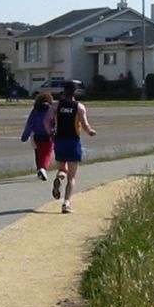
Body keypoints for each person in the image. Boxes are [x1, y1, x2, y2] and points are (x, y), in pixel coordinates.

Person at [44, 81, 96, 214]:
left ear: (64, 91)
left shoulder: (56, 105)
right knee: (72, 177)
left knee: (62, 169)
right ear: (75, 92)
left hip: (60, 141)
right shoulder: (79, 107)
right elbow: (84, 124)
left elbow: (46, 119)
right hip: (73, 141)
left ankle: (58, 179)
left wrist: (50, 132)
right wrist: (90, 131)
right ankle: (66, 203)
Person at [21, 92, 54, 181]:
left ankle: (39, 169)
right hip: (48, 134)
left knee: (38, 153)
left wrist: (25, 135)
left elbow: (30, 123)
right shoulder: (51, 109)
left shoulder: (35, 110)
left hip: (37, 135)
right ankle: (43, 168)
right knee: (47, 153)